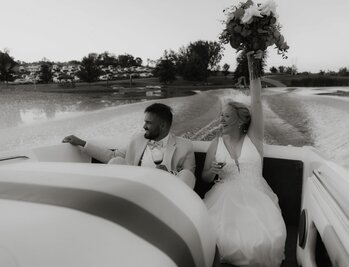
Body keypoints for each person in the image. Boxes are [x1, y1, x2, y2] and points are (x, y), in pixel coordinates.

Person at [202, 52, 286, 266]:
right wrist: (213, 171)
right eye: (221, 115)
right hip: (223, 200)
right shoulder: (216, 144)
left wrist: (252, 62)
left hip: (257, 198)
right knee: (215, 238)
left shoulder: (255, 139)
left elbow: (257, 101)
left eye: (226, 116)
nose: (221, 119)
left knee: (263, 241)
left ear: (241, 121)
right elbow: (205, 178)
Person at [63, 103, 196, 189]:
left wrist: (169, 174)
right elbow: (112, 156)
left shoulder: (185, 146)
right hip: (135, 188)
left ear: (162, 125)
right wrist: (82, 143)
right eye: (145, 122)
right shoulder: (138, 138)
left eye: (149, 123)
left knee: (187, 174)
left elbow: (189, 179)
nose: (144, 126)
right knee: (116, 161)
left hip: (167, 194)